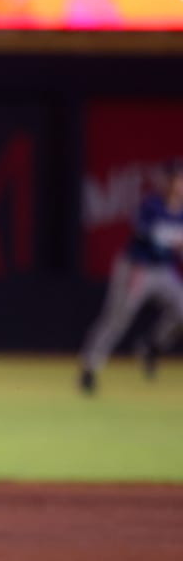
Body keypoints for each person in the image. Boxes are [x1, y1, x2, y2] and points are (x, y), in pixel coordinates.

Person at [78, 157, 183, 394]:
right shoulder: (152, 205)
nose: (180, 185)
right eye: (177, 179)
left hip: (163, 270)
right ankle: (89, 368)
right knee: (117, 318)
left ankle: (151, 346)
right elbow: (143, 237)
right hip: (135, 268)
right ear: (168, 182)